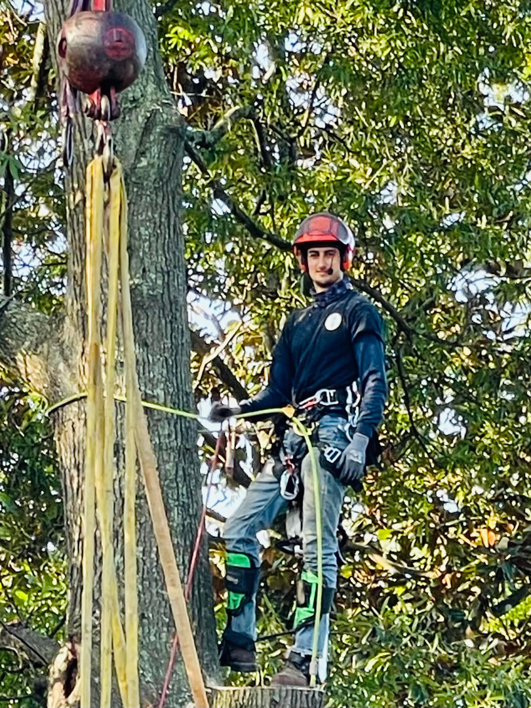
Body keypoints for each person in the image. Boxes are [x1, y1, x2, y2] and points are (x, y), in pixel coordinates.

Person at [209, 213, 388, 686]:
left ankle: (305, 658)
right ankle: (240, 642)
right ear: (304, 262)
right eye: (314, 255)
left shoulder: (358, 312)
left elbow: (374, 380)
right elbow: (277, 393)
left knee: (317, 546)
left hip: (332, 435)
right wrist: (234, 411)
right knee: (239, 527)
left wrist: (361, 439)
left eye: (330, 254)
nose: (322, 263)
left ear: (343, 259)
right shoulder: (297, 322)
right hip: (293, 438)